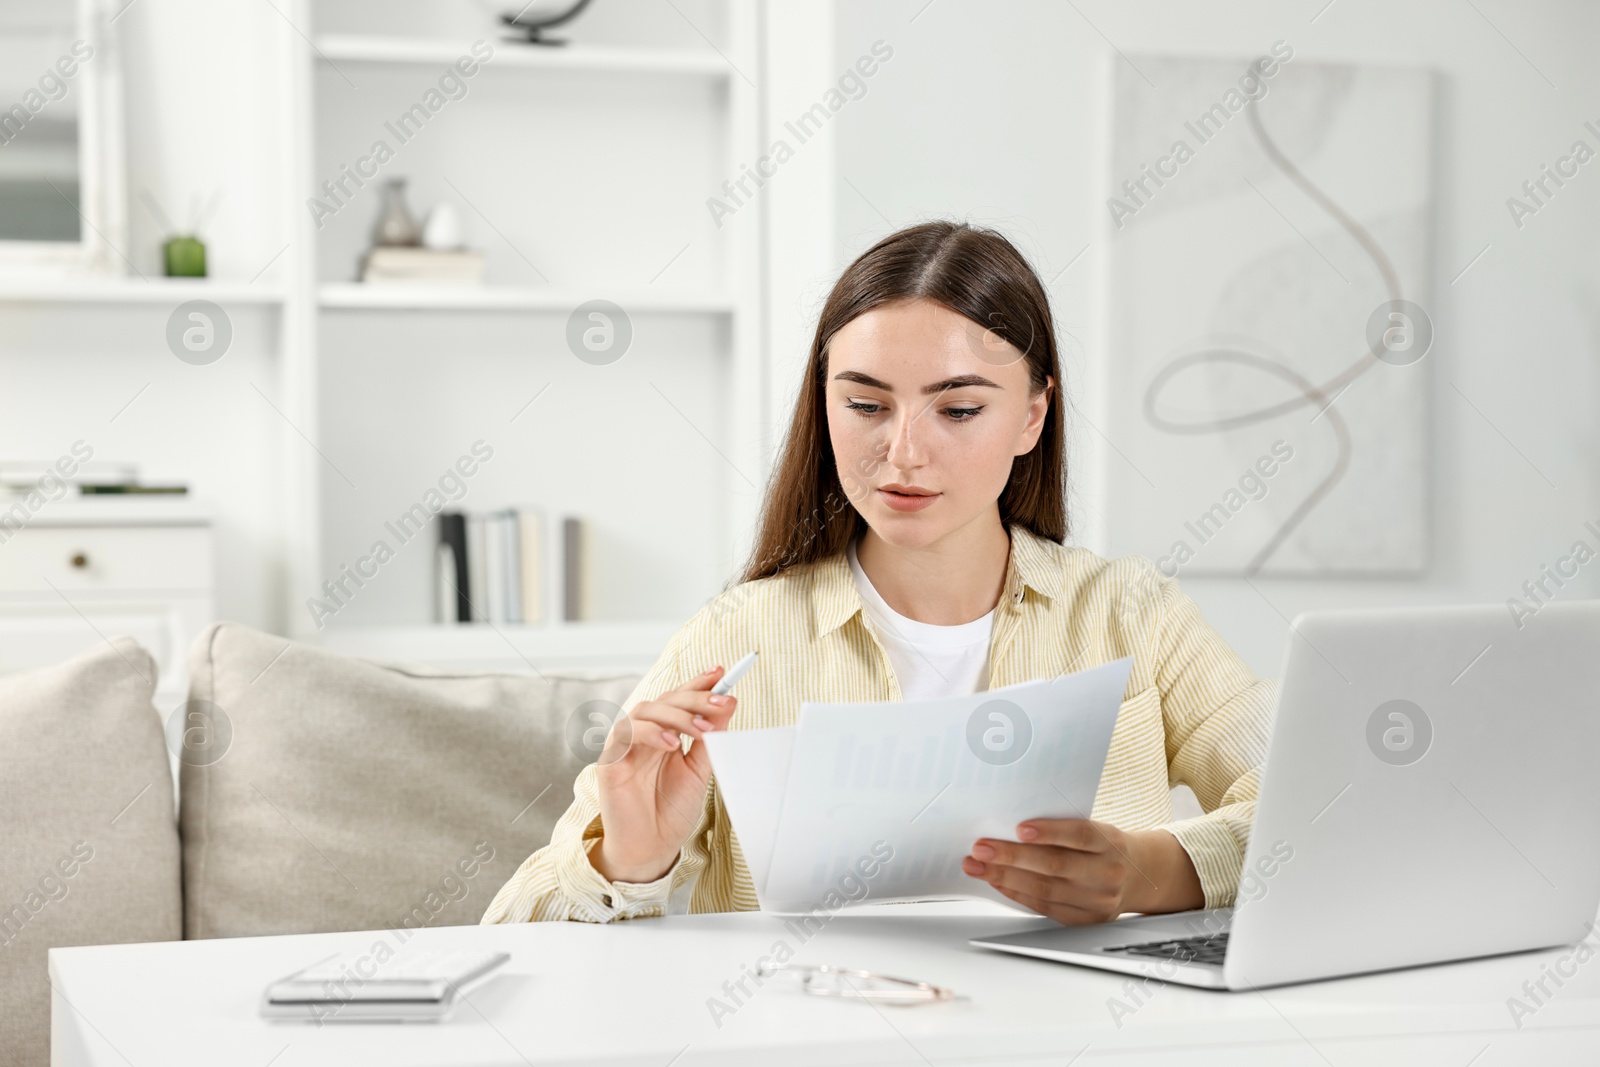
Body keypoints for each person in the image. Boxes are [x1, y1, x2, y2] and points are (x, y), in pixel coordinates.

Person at [481, 220, 1273, 927]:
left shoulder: (1131, 613)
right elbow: (511, 931)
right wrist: (629, 860)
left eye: (958, 410)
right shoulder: (738, 637)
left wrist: (1147, 870)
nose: (903, 453)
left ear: (1032, 415)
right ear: (823, 407)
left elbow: (1316, 811)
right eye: (865, 405)